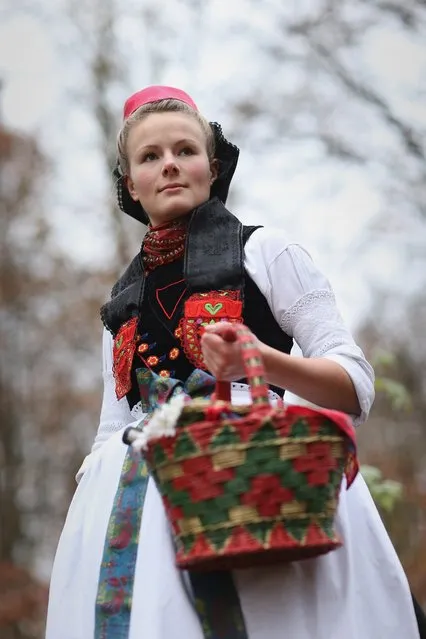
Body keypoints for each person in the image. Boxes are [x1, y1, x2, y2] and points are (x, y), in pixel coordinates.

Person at [46, 85, 422, 639]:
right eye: (150, 157)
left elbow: (354, 382)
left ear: (213, 165)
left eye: (185, 150)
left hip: (264, 482)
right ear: (131, 184)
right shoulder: (119, 305)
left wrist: (262, 361)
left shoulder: (268, 252)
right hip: (142, 518)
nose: (170, 165)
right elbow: (113, 427)